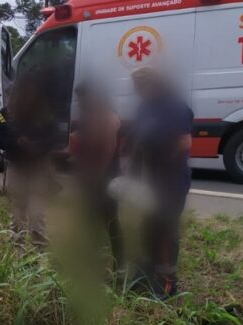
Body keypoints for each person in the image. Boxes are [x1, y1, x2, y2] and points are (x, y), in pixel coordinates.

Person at [127, 66, 193, 298]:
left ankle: (167, 282)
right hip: (151, 178)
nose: (135, 91)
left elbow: (184, 142)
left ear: (152, 84)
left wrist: (165, 164)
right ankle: (146, 273)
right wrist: (132, 170)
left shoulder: (176, 107)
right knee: (148, 226)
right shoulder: (145, 107)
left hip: (172, 179)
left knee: (165, 229)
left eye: (139, 87)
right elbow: (138, 138)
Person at [0, 74, 58, 245]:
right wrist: (18, 143)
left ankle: (40, 255)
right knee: (17, 214)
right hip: (17, 166)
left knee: (38, 214)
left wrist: (37, 145)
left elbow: (53, 138)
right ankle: (17, 253)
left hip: (38, 168)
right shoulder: (5, 115)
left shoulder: (44, 113)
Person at [72, 81, 124, 270]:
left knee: (110, 222)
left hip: (106, 179)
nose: (80, 103)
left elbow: (107, 150)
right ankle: (93, 260)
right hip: (93, 178)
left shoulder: (107, 116)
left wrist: (96, 179)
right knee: (90, 219)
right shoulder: (91, 115)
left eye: (81, 99)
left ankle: (120, 265)